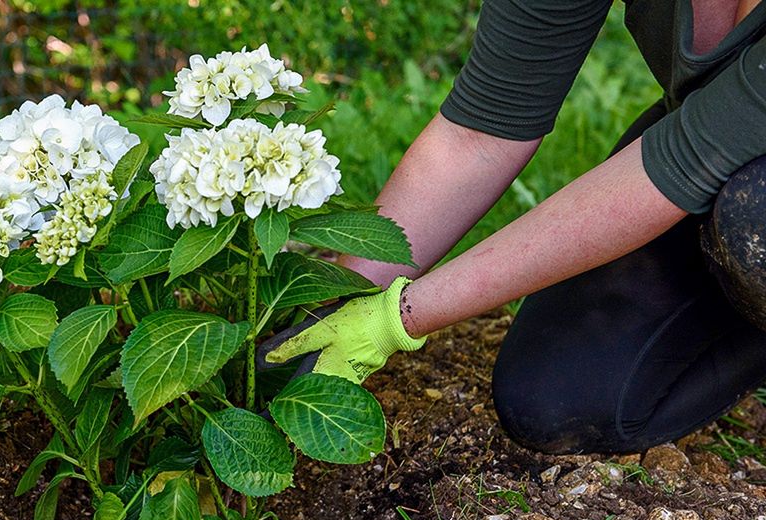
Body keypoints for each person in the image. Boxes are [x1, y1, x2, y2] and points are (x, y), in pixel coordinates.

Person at [260, 0, 766, 455]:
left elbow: (677, 167)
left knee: (753, 217)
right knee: (556, 396)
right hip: (707, 151)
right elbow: (483, 127)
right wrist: (335, 296)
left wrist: (395, 320)